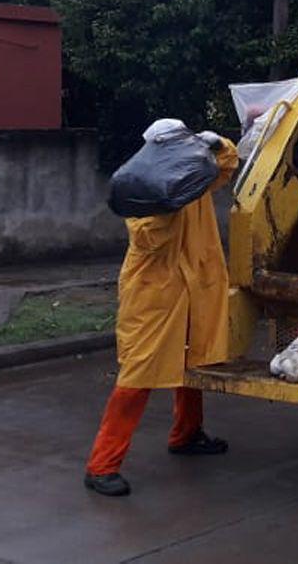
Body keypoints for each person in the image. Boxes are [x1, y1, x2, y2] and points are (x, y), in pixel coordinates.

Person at [83, 120, 240, 497]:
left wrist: (216, 142)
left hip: (190, 290)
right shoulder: (141, 188)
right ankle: (101, 465)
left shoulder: (193, 175)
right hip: (154, 299)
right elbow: (150, 237)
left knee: (191, 361)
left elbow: (228, 164)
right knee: (137, 377)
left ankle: (187, 434)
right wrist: (171, 201)